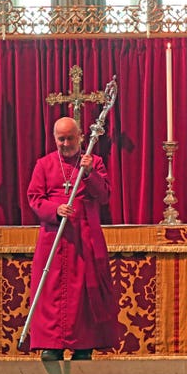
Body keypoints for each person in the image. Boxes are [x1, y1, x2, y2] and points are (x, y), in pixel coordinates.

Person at [26, 116, 121, 361]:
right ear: (54, 138)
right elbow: (34, 198)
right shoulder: (44, 164)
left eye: (70, 138)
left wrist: (89, 173)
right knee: (50, 290)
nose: (66, 143)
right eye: (61, 139)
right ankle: (51, 345)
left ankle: (84, 344)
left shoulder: (94, 162)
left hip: (84, 237)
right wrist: (55, 210)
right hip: (54, 237)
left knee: (83, 294)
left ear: (80, 137)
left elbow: (104, 196)